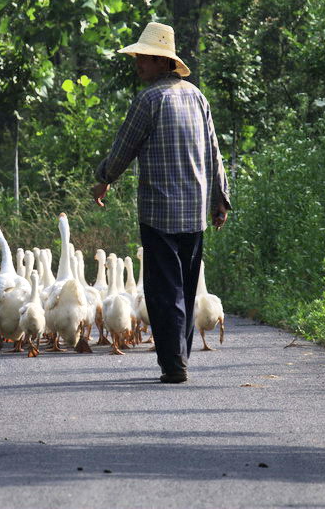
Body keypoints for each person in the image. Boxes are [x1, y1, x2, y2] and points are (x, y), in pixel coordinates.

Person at [91, 21, 231, 384]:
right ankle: (178, 357)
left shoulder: (149, 100)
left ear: (160, 62)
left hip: (158, 212)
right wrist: (221, 198)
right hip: (195, 209)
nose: (137, 64)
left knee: (164, 289)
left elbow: (125, 147)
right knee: (184, 286)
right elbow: (215, 153)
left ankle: (173, 364)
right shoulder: (197, 96)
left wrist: (104, 177)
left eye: (143, 58)